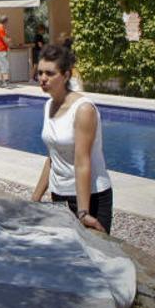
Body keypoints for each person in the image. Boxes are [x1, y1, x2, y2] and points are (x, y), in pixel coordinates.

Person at [30, 45, 113, 233]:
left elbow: (82, 161)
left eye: (50, 74)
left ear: (66, 75)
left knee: (94, 257)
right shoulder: (48, 105)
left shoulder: (83, 110)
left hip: (91, 197)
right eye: (40, 72)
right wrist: (35, 199)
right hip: (59, 195)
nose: (43, 78)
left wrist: (83, 212)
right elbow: (52, 157)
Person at [0, 15, 12, 88]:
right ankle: (6, 82)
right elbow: (5, 40)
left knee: (0, 66)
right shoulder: (1, 29)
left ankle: (0, 82)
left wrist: (6, 33)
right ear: (5, 22)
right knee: (5, 66)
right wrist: (9, 39)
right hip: (2, 49)